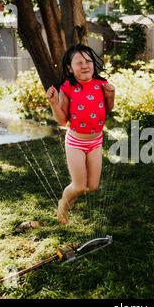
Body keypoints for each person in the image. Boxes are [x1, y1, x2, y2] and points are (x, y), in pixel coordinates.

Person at [46, 44, 115, 224]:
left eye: (88, 61)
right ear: (70, 68)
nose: (85, 65)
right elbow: (62, 120)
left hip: (96, 141)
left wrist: (111, 95)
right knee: (78, 186)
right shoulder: (68, 87)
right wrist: (54, 103)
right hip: (76, 142)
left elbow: (107, 109)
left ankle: (69, 199)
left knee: (91, 186)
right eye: (79, 62)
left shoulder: (101, 84)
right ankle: (63, 206)